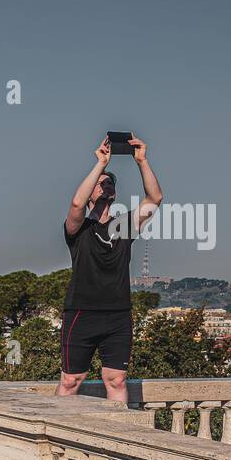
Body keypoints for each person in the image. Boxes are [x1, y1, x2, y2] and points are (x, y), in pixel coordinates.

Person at [58, 133, 163, 404]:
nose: (106, 185)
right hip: (81, 313)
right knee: (71, 381)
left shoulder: (125, 226)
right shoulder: (78, 228)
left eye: (110, 183)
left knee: (116, 380)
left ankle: (118, 438)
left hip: (118, 315)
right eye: (101, 183)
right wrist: (100, 165)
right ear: (92, 190)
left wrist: (142, 161)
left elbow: (155, 198)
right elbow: (76, 205)